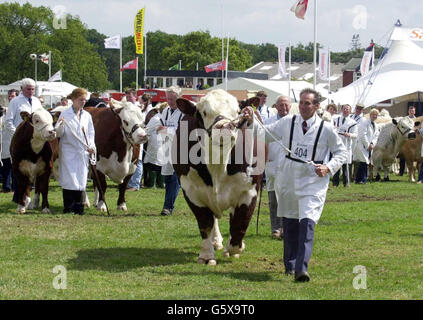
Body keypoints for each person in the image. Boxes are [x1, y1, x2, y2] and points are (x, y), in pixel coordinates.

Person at [242, 88, 347, 282]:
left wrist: (328, 167)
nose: (303, 106)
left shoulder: (326, 129)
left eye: (307, 103)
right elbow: (264, 133)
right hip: (289, 177)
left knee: (307, 222)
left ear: (316, 106)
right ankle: (289, 265)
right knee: (290, 224)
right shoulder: (287, 122)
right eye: (301, 102)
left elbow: (342, 153)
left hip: (313, 181)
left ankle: (301, 269)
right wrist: (250, 120)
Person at [54, 88, 95, 215]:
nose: (83, 102)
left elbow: (90, 133)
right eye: (81, 100)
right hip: (69, 151)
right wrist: (59, 126)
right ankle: (68, 207)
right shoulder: (65, 114)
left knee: (82, 179)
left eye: (85, 100)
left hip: (83, 151)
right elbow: (59, 133)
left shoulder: (87, 116)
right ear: (73, 99)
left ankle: (79, 207)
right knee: (69, 179)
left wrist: (91, 146)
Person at [5, 78, 43, 203]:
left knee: (31, 168)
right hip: (19, 141)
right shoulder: (15, 102)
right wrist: (17, 134)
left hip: (34, 141)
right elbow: (8, 121)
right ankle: (18, 196)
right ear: (22, 88)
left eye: (33, 89)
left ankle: (28, 194)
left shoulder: (37, 101)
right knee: (19, 168)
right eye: (28, 89)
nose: (31, 91)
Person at [264, 95, 291, 240]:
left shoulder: (295, 122)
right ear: (276, 106)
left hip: (288, 165)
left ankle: (285, 227)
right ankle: (275, 228)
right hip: (272, 163)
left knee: (286, 198)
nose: (284, 108)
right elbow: (262, 142)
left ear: (290, 106)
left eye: (286, 105)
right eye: (281, 105)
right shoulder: (268, 122)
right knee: (273, 198)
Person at [157, 86, 184, 216]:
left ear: (178, 98)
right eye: (168, 98)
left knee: (174, 177)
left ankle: (168, 207)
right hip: (167, 147)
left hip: (181, 149)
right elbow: (160, 126)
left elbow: (183, 130)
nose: (170, 101)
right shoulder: (166, 111)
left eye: (172, 99)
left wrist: (166, 130)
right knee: (168, 177)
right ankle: (168, 205)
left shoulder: (184, 112)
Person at [332, 104, 357, 187]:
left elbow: (356, 135)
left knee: (346, 165)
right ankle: (335, 183)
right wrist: (334, 128)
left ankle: (346, 182)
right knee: (337, 164)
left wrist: (349, 134)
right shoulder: (336, 119)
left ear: (350, 111)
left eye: (347, 109)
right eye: (344, 109)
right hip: (337, 144)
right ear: (342, 110)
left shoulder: (353, 122)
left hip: (347, 145)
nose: (346, 110)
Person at [143, 103, 167, 189]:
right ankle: (151, 184)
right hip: (155, 143)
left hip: (162, 142)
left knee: (161, 162)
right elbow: (147, 130)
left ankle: (160, 183)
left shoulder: (164, 118)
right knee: (153, 162)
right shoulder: (155, 118)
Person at [354, 108, 379, 184]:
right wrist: (367, 145)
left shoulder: (376, 125)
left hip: (369, 146)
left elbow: (376, 136)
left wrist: (372, 144)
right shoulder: (364, 123)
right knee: (364, 162)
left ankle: (359, 179)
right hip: (362, 144)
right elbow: (362, 135)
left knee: (364, 162)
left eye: (376, 115)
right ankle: (362, 179)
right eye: (373, 114)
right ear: (370, 115)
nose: (374, 116)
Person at [0, 89, 19, 193]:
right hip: (6, 142)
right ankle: (6, 186)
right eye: (9, 96)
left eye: (13, 96)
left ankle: (14, 187)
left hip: (16, 142)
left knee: (15, 167)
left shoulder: (18, 110)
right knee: (6, 165)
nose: (11, 98)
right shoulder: (4, 111)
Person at [126, 89, 144, 191]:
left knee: (138, 160)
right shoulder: (126, 107)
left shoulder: (137, 108)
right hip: (129, 138)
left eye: (130, 96)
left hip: (137, 136)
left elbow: (141, 122)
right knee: (130, 159)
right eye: (127, 97)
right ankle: (129, 182)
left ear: (135, 97)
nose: (128, 98)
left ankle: (135, 184)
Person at [399, 105, 417, 176]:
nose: (412, 112)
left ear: (415, 112)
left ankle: (412, 172)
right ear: (408, 111)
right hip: (406, 139)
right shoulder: (405, 119)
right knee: (403, 156)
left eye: (413, 111)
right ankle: (401, 171)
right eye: (410, 111)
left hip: (414, 140)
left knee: (413, 156)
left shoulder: (417, 119)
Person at [350, 103, 365, 181]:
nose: (358, 110)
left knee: (356, 159)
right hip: (349, 139)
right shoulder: (350, 116)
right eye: (357, 108)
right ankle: (348, 175)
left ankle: (354, 176)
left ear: (362, 110)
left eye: (360, 109)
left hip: (357, 140)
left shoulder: (363, 119)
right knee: (349, 158)